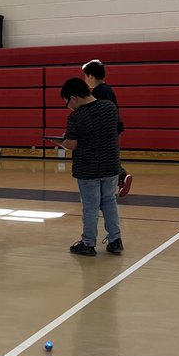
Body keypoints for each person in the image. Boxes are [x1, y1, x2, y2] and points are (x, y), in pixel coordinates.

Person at [59, 76, 123, 257]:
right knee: (109, 201)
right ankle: (115, 240)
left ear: (74, 98)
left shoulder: (76, 116)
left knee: (90, 206)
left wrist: (61, 142)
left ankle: (88, 243)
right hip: (110, 165)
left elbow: (72, 144)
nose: (69, 107)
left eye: (67, 103)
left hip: (88, 169)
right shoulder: (110, 107)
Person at [81, 59, 132, 198]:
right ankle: (119, 177)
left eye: (86, 76)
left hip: (107, 130)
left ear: (91, 76)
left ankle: (120, 176)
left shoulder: (99, 92)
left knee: (105, 157)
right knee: (109, 155)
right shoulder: (107, 89)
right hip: (113, 128)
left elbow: (99, 114)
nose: (85, 79)